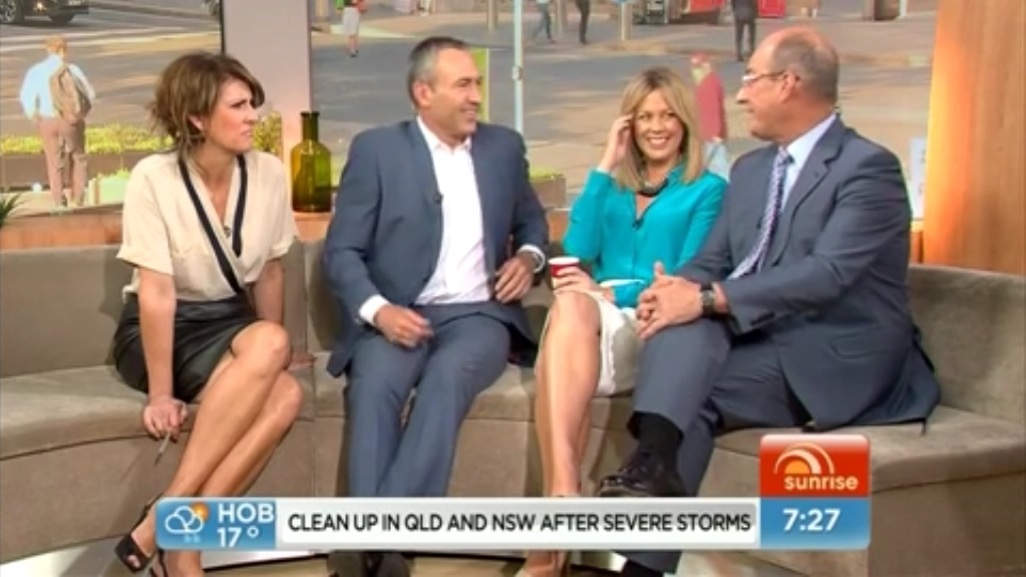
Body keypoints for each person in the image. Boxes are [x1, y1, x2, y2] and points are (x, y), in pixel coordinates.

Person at [596, 27, 942, 577]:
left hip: (835, 352)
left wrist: (705, 297)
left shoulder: (867, 169)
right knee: (681, 330)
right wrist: (674, 289)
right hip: (760, 338)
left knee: (690, 379)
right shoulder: (752, 169)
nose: (739, 94)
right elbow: (714, 259)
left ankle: (647, 518)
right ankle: (654, 468)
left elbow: (827, 274)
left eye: (751, 79)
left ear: (789, 83)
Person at [322, 36, 549, 577]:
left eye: (477, 84)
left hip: (478, 316)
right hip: (397, 312)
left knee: (447, 379)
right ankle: (387, 555)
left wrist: (529, 257)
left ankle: (369, 539)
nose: (476, 97)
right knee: (374, 387)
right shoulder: (378, 151)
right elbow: (341, 252)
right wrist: (379, 310)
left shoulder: (503, 148)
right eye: (463, 85)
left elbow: (533, 223)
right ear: (423, 93)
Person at [519, 66, 726, 577]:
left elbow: (688, 275)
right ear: (628, 125)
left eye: (667, 116)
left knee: (572, 309)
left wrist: (611, 291)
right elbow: (578, 247)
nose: (657, 127)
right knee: (570, 305)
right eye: (644, 117)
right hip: (592, 320)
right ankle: (564, 492)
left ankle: (553, 524)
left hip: (658, 326)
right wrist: (603, 165)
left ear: (684, 122)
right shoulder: (611, 188)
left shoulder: (708, 190)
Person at [111, 52, 304, 577]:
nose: (253, 116)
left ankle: (177, 538)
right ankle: (177, 532)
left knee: (285, 390)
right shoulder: (153, 178)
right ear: (197, 118)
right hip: (162, 327)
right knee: (272, 349)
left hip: (232, 323)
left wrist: (276, 355)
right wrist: (161, 394)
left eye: (252, 104)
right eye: (238, 106)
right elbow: (156, 293)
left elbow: (270, 272)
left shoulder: (268, 173)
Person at [18, 35, 95, 211]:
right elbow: (90, 94)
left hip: (47, 120)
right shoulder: (72, 70)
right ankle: (77, 199)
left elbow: (26, 96)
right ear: (63, 51)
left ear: (47, 50)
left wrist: (34, 116)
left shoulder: (36, 71)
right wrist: (79, 114)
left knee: (54, 161)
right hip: (70, 120)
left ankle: (58, 201)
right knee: (78, 157)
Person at [689, 53, 731, 181]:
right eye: (694, 68)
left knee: (717, 168)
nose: (695, 72)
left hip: (710, 136)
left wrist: (715, 133)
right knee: (715, 167)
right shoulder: (707, 82)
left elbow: (713, 110)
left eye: (698, 68)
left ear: (706, 67)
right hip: (708, 135)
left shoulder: (709, 84)